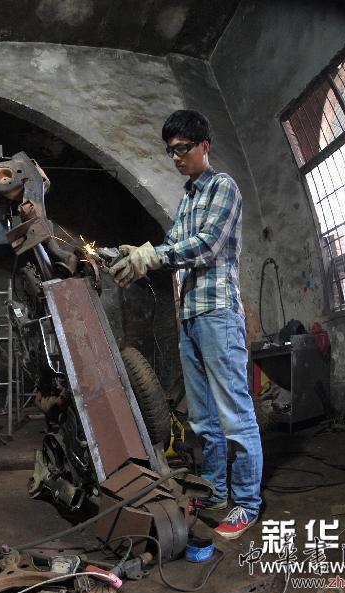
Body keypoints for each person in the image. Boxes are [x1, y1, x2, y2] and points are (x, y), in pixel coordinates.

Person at [109, 110, 263, 539]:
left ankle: (247, 502)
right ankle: (214, 491)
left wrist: (154, 256)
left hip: (219, 315)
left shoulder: (223, 187)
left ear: (204, 146)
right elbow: (173, 245)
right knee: (203, 419)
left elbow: (207, 245)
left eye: (182, 149)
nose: (175, 157)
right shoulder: (188, 199)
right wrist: (136, 252)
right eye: (170, 151)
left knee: (235, 414)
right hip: (190, 318)